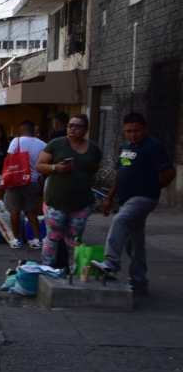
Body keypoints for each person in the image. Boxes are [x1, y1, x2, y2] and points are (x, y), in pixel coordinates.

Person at [94, 112, 178, 294]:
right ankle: (139, 281)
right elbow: (121, 173)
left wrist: (153, 186)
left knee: (120, 220)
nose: (133, 134)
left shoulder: (153, 146)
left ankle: (111, 263)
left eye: (137, 131)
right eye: (129, 131)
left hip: (144, 197)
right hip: (125, 199)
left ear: (144, 129)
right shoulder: (126, 147)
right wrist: (109, 198)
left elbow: (170, 172)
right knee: (135, 242)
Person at [35, 114, 101, 270]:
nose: (72, 129)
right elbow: (39, 165)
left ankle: (74, 272)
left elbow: (94, 171)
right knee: (52, 237)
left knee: (74, 239)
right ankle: (47, 270)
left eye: (77, 126)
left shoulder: (93, 149)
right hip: (56, 201)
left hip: (81, 203)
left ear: (85, 129)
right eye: (70, 125)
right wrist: (55, 168)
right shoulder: (56, 144)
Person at [4, 120, 47, 250]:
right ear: (33, 130)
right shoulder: (43, 144)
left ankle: (16, 239)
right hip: (33, 181)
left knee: (15, 211)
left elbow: (9, 160)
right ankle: (36, 239)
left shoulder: (16, 141)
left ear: (21, 129)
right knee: (32, 212)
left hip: (16, 181)